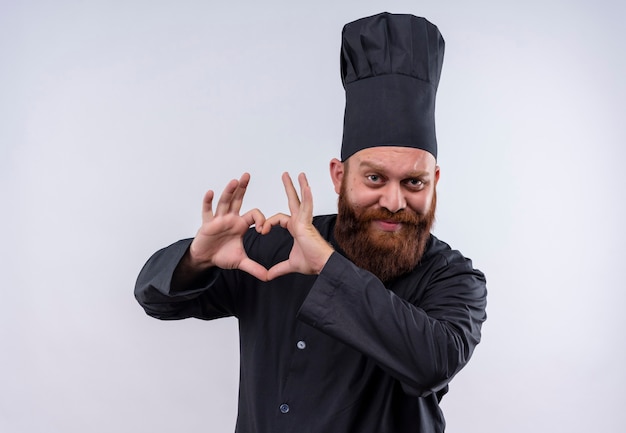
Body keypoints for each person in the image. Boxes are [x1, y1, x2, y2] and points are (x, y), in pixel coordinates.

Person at [135, 12, 487, 433]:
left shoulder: (453, 277)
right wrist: (197, 258)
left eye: (414, 182)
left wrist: (327, 267)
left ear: (435, 182)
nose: (394, 201)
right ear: (339, 176)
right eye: (374, 178)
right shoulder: (276, 248)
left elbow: (433, 363)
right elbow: (153, 300)